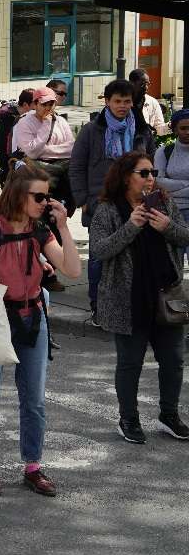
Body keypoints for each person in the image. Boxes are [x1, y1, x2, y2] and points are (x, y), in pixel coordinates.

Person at [0, 165, 81, 497]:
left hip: (32, 317)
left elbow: (71, 269)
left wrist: (64, 227)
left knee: (34, 400)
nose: (44, 202)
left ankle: (33, 467)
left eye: (46, 196)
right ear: (17, 195)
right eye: (38, 196)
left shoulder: (41, 232)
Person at [89, 151, 189, 444]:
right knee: (130, 362)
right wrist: (131, 226)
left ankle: (168, 415)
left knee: (173, 359)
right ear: (125, 177)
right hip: (127, 297)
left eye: (153, 173)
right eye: (143, 173)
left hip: (165, 293)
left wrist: (166, 226)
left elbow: (185, 237)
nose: (150, 179)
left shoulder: (164, 203)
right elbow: (99, 251)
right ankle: (128, 418)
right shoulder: (107, 210)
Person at [71, 79, 157, 324]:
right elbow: (76, 167)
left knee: (136, 257)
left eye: (127, 101)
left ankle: (131, 306)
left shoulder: (142, 131)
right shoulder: (91, 130)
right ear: (107, 101)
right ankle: (98, 306)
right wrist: (83, 202)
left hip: (136, 203)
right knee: (99, 258)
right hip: (100, 204)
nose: (122, 106)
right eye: (117, 101)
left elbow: (151, 167)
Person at [14, 87, 76, 211]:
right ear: (34, 105)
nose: (48, 108)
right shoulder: (24, 123)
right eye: (44, 104)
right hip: (38, 176)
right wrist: (46, 126)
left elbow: (72, 148)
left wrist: (45, 150)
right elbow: (33, 152)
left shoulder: (61, 121)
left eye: (51, 104)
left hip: (62, 177)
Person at [154, 109, 189, 263]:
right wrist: (186, 184)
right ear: (175, 129)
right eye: (183, 128)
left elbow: (165, 183)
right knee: (174, 263)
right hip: (171, 213)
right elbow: (158, 181)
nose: (188, 132)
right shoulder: (164, 152)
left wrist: (172, 186)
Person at [130, 69, 168, 135]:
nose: (146, 87)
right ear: (132, 83)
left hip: (145, 143)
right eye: (142, 84)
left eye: (148, 83)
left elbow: (158, 128)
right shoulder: (123, 101)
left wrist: (170, 126)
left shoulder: (152, 102)